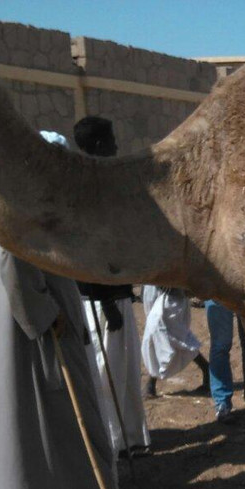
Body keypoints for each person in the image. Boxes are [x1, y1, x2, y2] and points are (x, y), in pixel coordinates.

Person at [0, 132, 126, 489]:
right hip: (33, 344)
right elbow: (12, 268)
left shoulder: (5, 205)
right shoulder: (19, 209)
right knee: (45, 427)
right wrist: (50, 316)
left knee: (36, 433)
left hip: (18, 341)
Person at [72, 116, 151, 456]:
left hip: (116, 298)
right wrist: (106, 303)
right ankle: (113, 443)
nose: (118, 147)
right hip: (102, 303)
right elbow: (88, 254)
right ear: (101, 145)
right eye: (113, 140)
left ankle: (131, 438)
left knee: (126, 373)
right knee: (108, 376)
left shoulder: (96, 184)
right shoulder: (87, 192)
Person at [140, 285, 210, 398]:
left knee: (172, 337)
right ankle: (206, 368)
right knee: (157, 336)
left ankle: (206, 368)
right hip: (152, 289)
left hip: (172, 293)